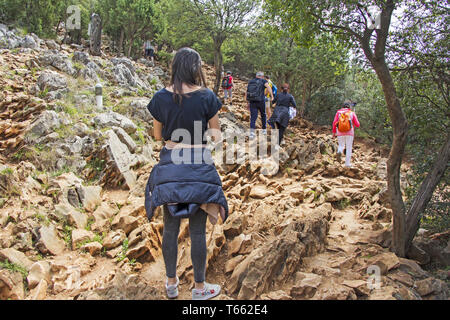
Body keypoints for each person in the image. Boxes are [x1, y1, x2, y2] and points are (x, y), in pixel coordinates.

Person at [145, 47, 228, 300]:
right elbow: (215, 136)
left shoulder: (160, 97)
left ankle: (171, 284)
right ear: (196, 68)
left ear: (175, 67)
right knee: (198, 230)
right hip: (199, 166)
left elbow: (157, 135)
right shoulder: (207, 97)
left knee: (169, 227)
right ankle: (200, 289)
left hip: (171, 165)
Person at [332, 100, 360, 168]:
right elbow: (357, 124)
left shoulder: (338, 113)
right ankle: (347, 164)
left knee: (341, 145)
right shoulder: (351, 113)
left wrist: (333, 132)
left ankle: (339, 152)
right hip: (349, 133)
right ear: (349, 106)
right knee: (348, 148)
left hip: (340, 132)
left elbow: (334, 122)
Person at [245, 71, 273, 139]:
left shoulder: (251, 81)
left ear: (256, 76)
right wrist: (272, 96)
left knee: (253, 117)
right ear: (262, 76)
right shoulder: (263, 81)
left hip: (252, 101)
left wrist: (248, 102)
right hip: (261, 101)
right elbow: (268, 87)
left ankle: (251, 133)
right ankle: (264, 130)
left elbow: (247, 92)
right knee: (263, 114)